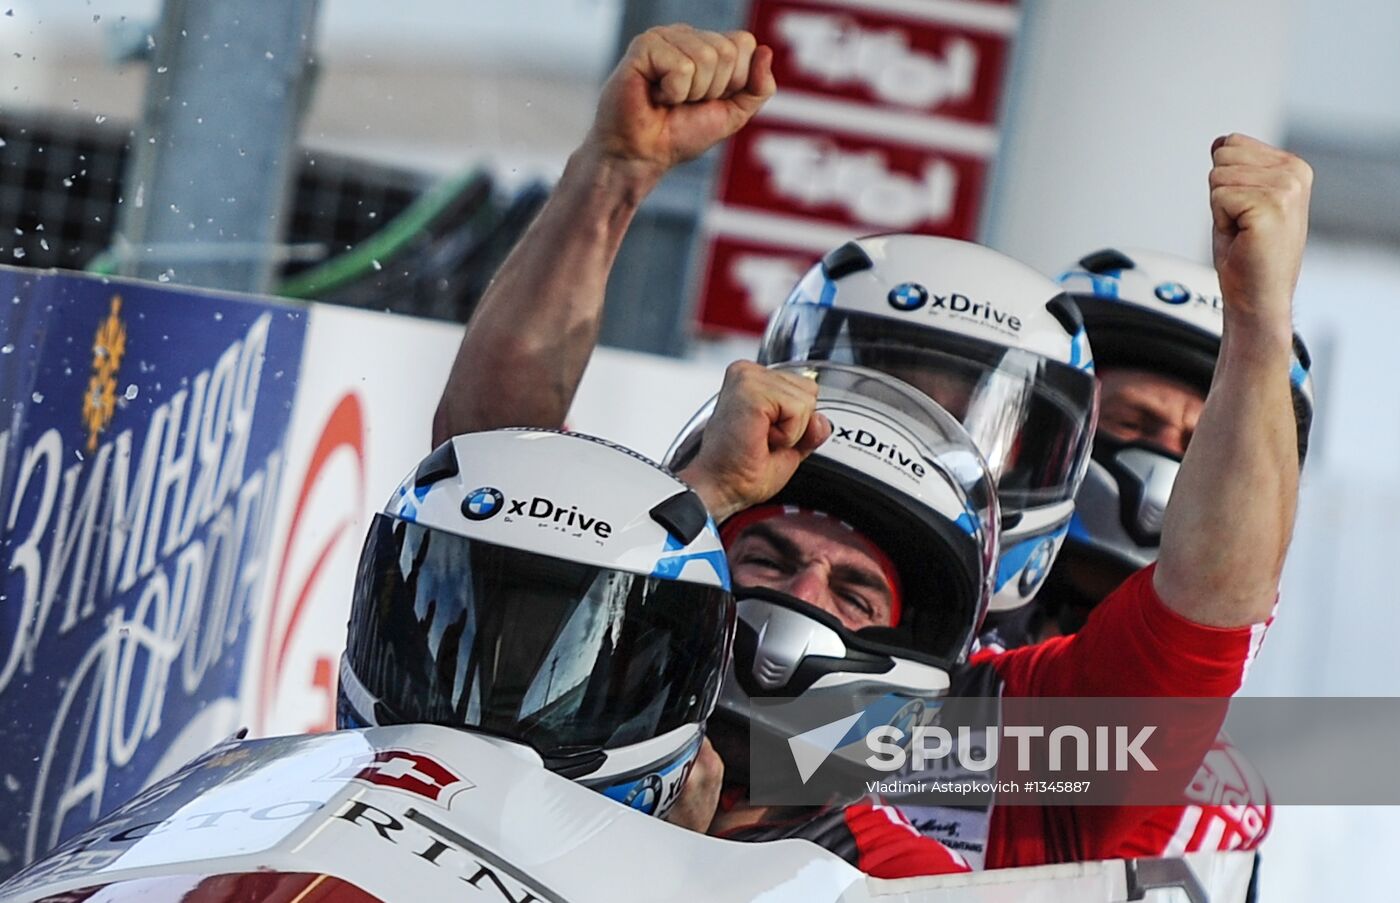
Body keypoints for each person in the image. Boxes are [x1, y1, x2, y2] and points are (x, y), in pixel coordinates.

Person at [432, 22, 1314, 876]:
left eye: (854, 589)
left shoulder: (998, 745)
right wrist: (611, 177)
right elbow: (492, 477)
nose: (907, 434)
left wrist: (1260, 326)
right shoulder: (616, 614)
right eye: (768, 558)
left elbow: (1208, 611)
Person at [976, 247, 1314, 861]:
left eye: (1197, 445)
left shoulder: (1208, 786)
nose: (1164, 462)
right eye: (1135, 421)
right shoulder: (910, 625)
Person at [335, 429, 736, 820]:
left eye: (559, 638)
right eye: (489, 623)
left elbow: (781, 822)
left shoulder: (778, 758)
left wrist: (681, 858)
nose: (516, 665)